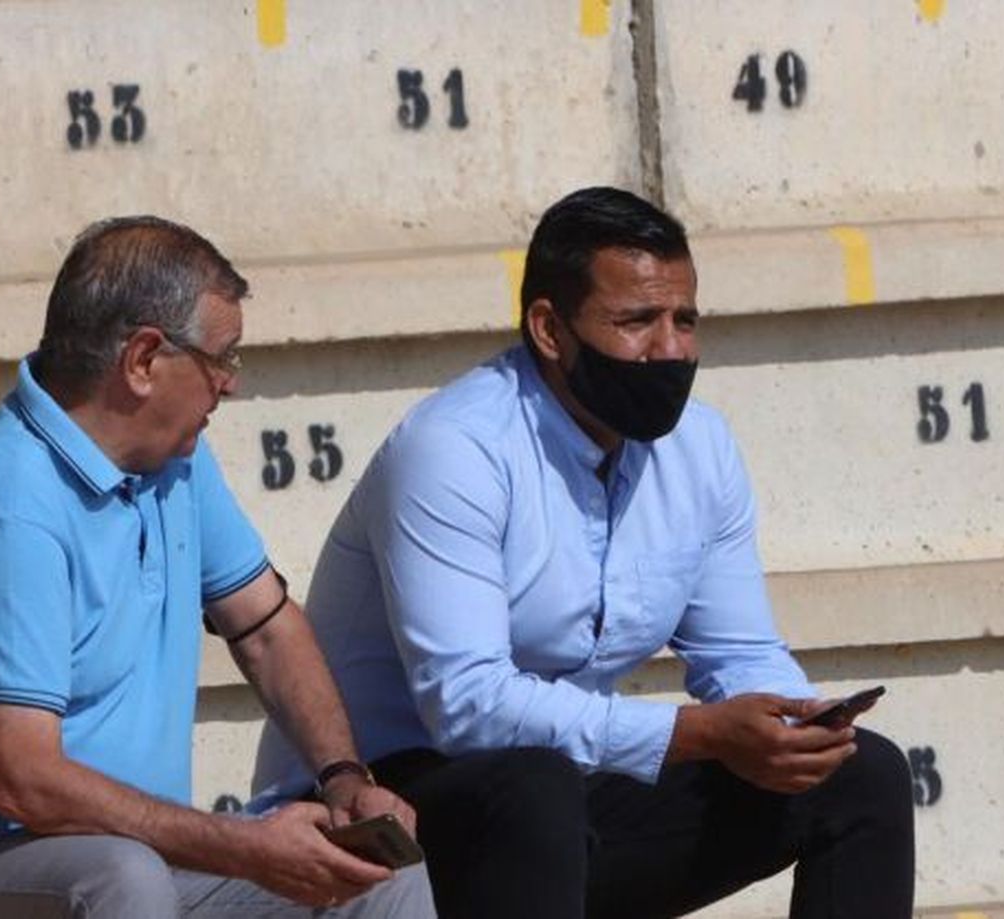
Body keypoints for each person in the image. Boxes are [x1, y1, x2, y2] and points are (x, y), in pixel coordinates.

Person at [250, 187, 915, 918]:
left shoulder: (701, 446)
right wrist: (694, 734)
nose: (669, 350)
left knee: (860, 776)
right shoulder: (455, 448)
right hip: (379, 812)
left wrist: (795, 728)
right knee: (535, 787)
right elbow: (468, 706)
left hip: (562, 801)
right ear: (549, 328)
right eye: (636, 321)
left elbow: (739, 650)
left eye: (684, 320)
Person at [0, 216, 435, 919]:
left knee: (378, 878)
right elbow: (24, 783)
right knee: (120, 876)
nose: (230, 386)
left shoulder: (175, 461)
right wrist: (244, 844)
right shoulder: (11, 503)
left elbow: (267, 627)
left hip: (119, 857)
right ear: (144, 358)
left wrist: (343, 779)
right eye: (222, 359)